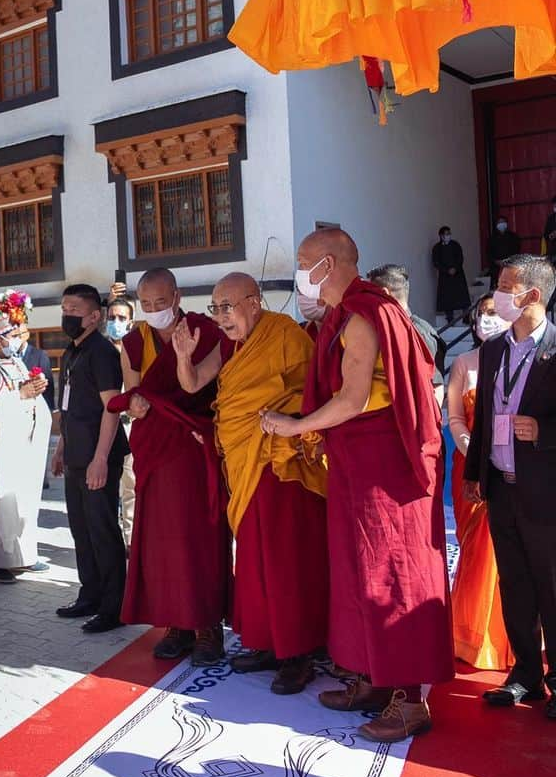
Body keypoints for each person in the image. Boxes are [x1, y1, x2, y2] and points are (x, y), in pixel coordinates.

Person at [261, 229, 453, 742]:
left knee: (391, 576)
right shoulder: (341, 315)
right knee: (356, 572)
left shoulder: (366, 314)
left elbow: (352, 398)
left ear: (327, 264)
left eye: (303, 261)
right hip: (355, 463)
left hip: (384, 471)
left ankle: (409, 702)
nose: (298, 270)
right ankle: (373, 678)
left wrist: (294, 426)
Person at [181, 273, 329, 695]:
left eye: (228, 306)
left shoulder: (284, 333)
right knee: (253, 558)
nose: (222, 316)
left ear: (255, 301)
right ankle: (268, 642)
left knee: (285, 561)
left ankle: (297, 654)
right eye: (215, 308)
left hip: (279, 462)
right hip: (246, 461)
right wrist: (183, 355)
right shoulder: (233, 345)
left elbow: (312, 389)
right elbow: (194, 383)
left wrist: (285, 419)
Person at [109, 267, 230, 665]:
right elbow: (133, 393)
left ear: (177, 297)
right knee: (161, 541)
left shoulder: (205, 331)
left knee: (199, 537)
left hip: (195, 447)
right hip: (158, 451)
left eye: (161, 303)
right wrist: (136, 404)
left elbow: (205, 386)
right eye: (146, 305)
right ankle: (176, 625)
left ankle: (208, 628)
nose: (154, 310)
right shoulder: (133, 340)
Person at [463, 254, 556, 718]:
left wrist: (544, 431)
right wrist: (474, 476)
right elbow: (483, 418)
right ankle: (526, 675)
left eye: (506, 286)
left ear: (532, 295)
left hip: (546, 494)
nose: (498, 295)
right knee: (515, 585)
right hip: (501, 487)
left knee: (552, 586)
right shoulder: (495, 348)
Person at [52, 284, 128, 634]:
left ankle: (114, 607)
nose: (67, 315)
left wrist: (100, 458)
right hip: (76, 455)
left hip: (99, 456)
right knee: (81, 531)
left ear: (95, 316)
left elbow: (112, 408)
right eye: (64, 309)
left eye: (74, 310)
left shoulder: (101, 352)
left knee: (102, 531)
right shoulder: (71, 352)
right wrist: (61, 446)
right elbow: (68, 407)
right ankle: (90, 594)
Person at [447, 296, 514, 671]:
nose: (487, 320)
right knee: (475, 550)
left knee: (509, 554)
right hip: (470, 466)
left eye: (493, 313)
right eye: (482, 314)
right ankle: (472, 637)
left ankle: (510, 639)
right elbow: (455, 416)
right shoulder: (464, 364)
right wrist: (473, 454)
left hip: (510, 469)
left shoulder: (524, 362)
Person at [0, 293, 51, 584]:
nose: (16, 338)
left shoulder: (14, 360)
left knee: (24, 499)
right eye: (10, 334)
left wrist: (33, 390)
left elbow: (23, 391)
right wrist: (22, 395)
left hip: (23, 439)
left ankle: (23, 555)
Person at [366, 264, 446, 407]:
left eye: (369, 295)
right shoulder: (381, 330)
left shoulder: (419, 333)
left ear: (385, 293)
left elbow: (435, 387)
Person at [104, 294, 137, 551]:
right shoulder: (99, 351)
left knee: (131, 486)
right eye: (111, 317)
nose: (116, 322)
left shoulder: (137, 350)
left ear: (131, 321)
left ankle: (131, 541)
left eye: (121, 318)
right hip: (104, 429)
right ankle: (108, 543)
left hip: (130, 426)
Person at [432, 226, 472, 325]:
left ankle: (466, 316)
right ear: (441, 236)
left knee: (462, 296)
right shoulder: (437, 248)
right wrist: (446, 270)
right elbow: (436, 262)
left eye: (449, 234)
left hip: (458, 274)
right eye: (446, 234)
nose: (448, 236)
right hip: (445, 277)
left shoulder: (455, 245)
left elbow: (460, 258)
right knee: (447, 298)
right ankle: (450, 318)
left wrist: (455, 268)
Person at [488, 216, 521, 287]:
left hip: (510, 266)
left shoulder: (513, 237)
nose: (501, 224)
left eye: (503, 222)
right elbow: (489, 253)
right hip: (497, 268)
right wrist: (496, 261)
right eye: (499, 222)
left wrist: (510, 261)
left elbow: (517, 250)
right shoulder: (492, 238)